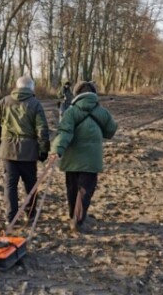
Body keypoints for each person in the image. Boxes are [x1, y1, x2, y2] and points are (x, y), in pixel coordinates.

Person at [49, 81, 118, 232]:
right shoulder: (102, 112)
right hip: (91, 158)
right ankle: (78, 221)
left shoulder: (71, 112)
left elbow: (64, 132)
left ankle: (72, 215)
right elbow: (111, 131)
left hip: (71, 157)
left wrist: (57, 150)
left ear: (77, 94)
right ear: (93, 93)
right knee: (85, 190)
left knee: (72, 187)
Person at [0, 76, 50, 225]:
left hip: (8, 150)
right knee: (30, 184)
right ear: (31, 88)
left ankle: (11, 217)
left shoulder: (5, 101)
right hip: (28, 151)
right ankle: (30, 214)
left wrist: (0, 138)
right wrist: (44, 150)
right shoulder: (35, 104)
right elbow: (42, 129)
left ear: (17, 87)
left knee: (10, 185)